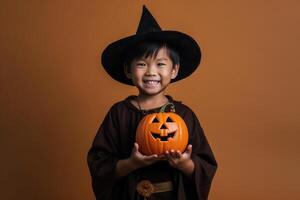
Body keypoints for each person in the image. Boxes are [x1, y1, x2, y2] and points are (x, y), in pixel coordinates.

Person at [87, 6, 217, 200]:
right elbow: (100, 164)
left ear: (174, 71)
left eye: (160, 64)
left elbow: (205, 166)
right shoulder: (119, 113)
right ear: (128, 70)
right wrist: (132, 163)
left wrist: (185, 164)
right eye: (142, 64)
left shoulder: (183, 115)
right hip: (129, 195)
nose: (151, 72)